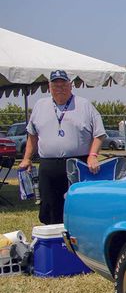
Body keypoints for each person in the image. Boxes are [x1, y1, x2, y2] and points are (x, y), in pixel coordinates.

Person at [18, 70, 106, 224]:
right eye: (55, 84)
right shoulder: (40, 105)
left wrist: (93, 155)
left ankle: (76, 237)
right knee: (49, 206)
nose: (59, 87)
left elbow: (99, 134)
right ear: (49, 86)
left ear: (70, 85)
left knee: (76, 206)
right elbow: (32, 135)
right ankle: (54, 241)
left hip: (77, 164)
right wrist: (26, 158)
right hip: (48, 165)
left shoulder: (84, 105)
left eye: (63, 83)